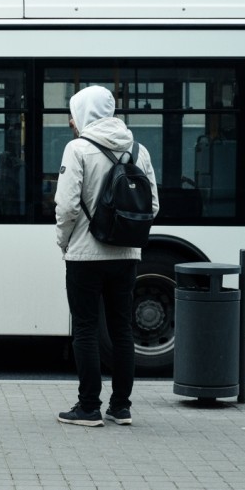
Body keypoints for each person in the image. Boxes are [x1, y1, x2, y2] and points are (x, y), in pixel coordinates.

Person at [53, 85, 159, 427]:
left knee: (85, 328)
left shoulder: (78, 148)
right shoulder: (138, 149)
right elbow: (153, 205)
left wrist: (63, 241)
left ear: (82, 111)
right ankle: (121, 407)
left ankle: (88, 408)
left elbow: (67, 206)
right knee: (121, 329)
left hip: (85, 255)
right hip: (127, 255)